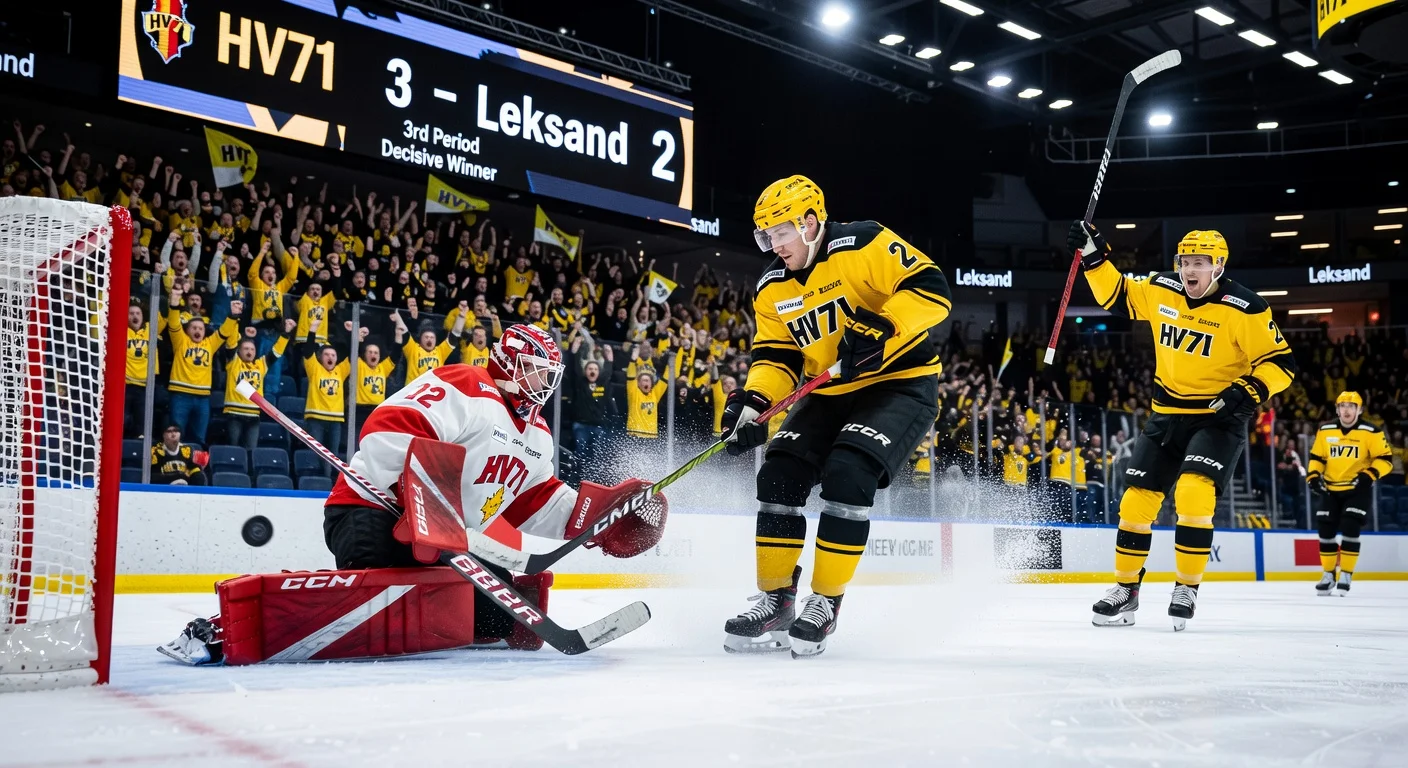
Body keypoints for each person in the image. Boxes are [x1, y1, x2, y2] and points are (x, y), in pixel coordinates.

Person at [159, 325, 666, 665]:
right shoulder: (467, 384)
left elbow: (534, 502)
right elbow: (390, 424)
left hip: (446, 540)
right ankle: (221, 628)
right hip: (372, 511)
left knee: (494, 616)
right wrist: (416, 496)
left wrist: (594, 517)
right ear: (511, 361)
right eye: (538, 370)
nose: (547, 383)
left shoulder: (537, 437)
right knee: (378, 591)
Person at [720, 175, 952, 657]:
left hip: (900, 383)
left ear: (810, 222)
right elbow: (777, 358)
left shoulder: (862, 241)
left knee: (848, 474)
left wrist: (886, 324)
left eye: (781, 232)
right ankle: (777, 599)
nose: (774, 245)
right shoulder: (771, 288)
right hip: (829, 391)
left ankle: (824, 603)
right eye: (766, 236)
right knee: (779, 475)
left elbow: (932, 289)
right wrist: (754, 404)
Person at [1071, 223, 1296, 630]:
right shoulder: (1162, 288)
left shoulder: (1246, 307)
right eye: (1185, 261)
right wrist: (1093, 254)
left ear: (1219, 266)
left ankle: (1187, 588)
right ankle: (1126, 591)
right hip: (1167, 413)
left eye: (1200, 262)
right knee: (1135, 504)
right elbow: (1115, 294)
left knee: (1193, 494)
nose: (1190, 270)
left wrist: (1246, 390)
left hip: (1218, 417)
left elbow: (1282, 365)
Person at [1306, 391, 1392, 596]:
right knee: (1325, 531)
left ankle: (1346, 574)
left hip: (1356, 489)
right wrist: (1313, 476)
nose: (1346, 410)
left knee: (1350, 526)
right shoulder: (1325, 430)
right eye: (1342, 406)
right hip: (1330, 488)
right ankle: (1328, 576)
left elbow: (1385, 460)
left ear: (1359, 410)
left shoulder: (1371, 431)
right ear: (1337, 409)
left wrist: (1370, 475)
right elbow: (1317, 457)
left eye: (1351, 406)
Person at [221, 320, 295, 452]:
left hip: (254, 416)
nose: (249, 351)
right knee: (232, 449)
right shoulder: (233, 362)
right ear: (239, 351)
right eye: (246, 348)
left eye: (252, 349)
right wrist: (235, 319)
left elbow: (276, 352)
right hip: (234, 414)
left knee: (252, 452)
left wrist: (285, 334)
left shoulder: (261, 365)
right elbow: (231, 342)